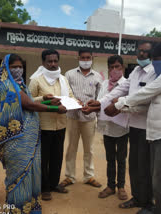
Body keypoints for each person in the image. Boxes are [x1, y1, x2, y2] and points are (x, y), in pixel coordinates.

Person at [108, 41, 161, 214]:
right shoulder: (154, 73)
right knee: (148, 174)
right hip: (156, 134)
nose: (153, 62)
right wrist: (118, 105)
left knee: (160, 184)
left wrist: (119, 104)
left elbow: (146, 93)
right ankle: (148, 205)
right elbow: (148, 104)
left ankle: (153, 207)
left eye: (156, 59)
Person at [87, 42, 156, 212]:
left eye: (145, 52)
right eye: (139, 51)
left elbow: (142, 99)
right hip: (122, 126)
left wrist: (118, 106)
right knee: (127, 163)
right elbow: (110, 96)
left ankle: (137, 196)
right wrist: (99, 103)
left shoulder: (155, 73)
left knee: (138, 164)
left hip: (138, 127)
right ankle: (131, 194)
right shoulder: (134, 73)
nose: (142, 55)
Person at [0, 54, 66, 213]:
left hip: (28, 139)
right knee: (19, 176)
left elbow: (30, 101)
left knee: (31, 174)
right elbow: (28, 105)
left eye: (20, 66)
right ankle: (18, 209)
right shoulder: (7, 85)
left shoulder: (20, 84)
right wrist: (54, 108)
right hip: (17, 141)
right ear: (6, 68)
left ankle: (30, 207)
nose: (18, 69)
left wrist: (47, 101)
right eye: (14, 67)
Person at [29, 49, 76, 201]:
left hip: (61, 124)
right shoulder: (36, 80)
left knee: (57, 156)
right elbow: (29, 101)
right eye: (49, 61)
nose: (53, 64)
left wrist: (75, 102)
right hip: (43, 126)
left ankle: (54, 184)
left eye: (55, 61)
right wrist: (45, 100)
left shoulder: (63, 79)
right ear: (43, 63)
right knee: (43, 158)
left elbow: (69, 95)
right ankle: (44, 188)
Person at [83, 55, 129, 200]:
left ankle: (121, 186)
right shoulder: (104, 84)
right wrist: (92, 108)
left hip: (121, 128)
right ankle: (110, 186)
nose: (114, 70)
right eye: (112, 67)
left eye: (118, 67)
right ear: (108, 68)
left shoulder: (127, 84)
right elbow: (101, 103)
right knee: (110, 158)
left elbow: (127, 104)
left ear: (122, 68)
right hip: (107, 127)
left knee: (121, 158)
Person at [60, 49, 103, 188]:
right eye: (83, 58)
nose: (85, 60)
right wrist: (74, 102)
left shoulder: (97, 77)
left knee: (89, 149)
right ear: (78, 58)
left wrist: (92, 108)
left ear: (92, 58)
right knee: (71, 148)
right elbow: (66, 94)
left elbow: (99, 98)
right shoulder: (69, 74)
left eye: (88, 58)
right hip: (73, 116)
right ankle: (69, 177)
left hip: (89, 118)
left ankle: (88, 176)